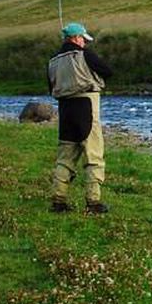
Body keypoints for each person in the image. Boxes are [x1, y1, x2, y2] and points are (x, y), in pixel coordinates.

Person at [47, 22, 113, 213]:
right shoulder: (86, 55)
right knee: (94, 155)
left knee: (65, 157)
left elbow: (51, 87)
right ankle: (93, 202)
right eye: (83, 38)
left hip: (65, 109)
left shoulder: (52, 61)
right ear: (76, 38)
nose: (84, 42)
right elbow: (108, 71)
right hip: (87, 106)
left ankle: (58, 201)